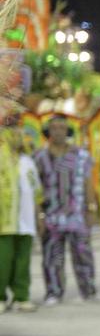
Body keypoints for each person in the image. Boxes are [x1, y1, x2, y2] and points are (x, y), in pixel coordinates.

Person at [33, 115, 96, 304]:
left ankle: (88, 290)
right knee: (52, 256)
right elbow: (35, 189)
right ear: (48, 132)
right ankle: (53, 292)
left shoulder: (81, 155)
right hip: (51, 216)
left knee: (83, 253)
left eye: (62, 128)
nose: (59, 131)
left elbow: (88, 183)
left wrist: (91, 209)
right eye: (54, 128)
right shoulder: (39, 157)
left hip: (76, 215)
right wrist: (39, 215)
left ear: (68, 131)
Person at [0, 124, 39, 311]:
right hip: (4, 221)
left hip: (26, 219)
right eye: (11, 133)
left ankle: (21, 296)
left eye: (18, 133)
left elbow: (36, 190)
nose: (16, 136)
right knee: (2, 260)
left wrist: (39, 215)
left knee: (23, 261)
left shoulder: (27, 161)